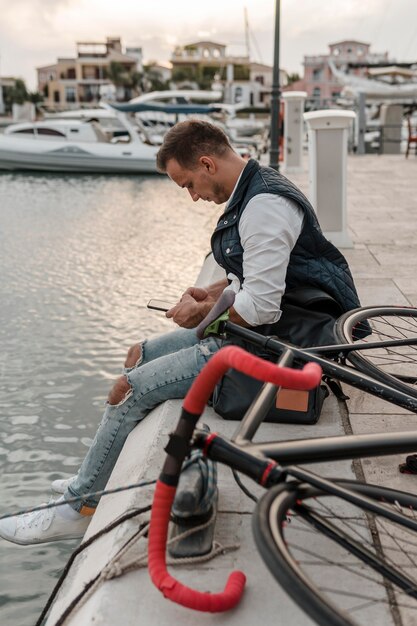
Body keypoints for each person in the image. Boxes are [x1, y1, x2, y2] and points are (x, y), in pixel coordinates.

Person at [0, 120, 363, 545]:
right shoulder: (253, 190)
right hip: (268, 329)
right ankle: (94, 474)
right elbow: (266, 279)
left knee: (129, 388)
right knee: (140, 353)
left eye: (188, 184)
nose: (193, 196)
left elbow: (262, 308)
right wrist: (212, 291)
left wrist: (205, 316)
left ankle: (78, 508)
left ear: (207, 163)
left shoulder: (264, 205)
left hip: (281, 345)